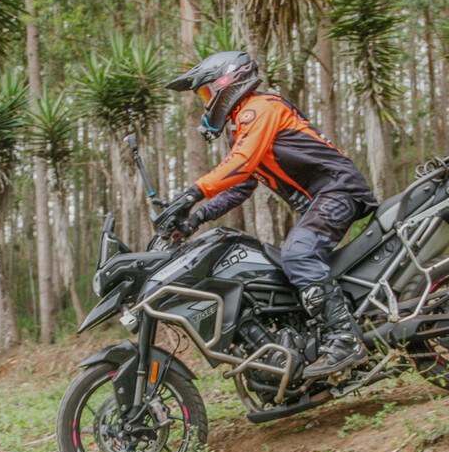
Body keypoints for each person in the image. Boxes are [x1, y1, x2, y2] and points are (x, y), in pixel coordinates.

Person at [157, 50, 378, 378]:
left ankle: (346, 339)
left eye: (206, 92)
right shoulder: (247, 122)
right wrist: (196, 218)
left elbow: (241, 162)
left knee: (298, 254)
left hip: (338, 190)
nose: (206, 102)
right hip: (324, 198)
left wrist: (192, 193)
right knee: (282, 265)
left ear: (227, 83)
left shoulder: (260, 108)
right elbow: (239, 186)